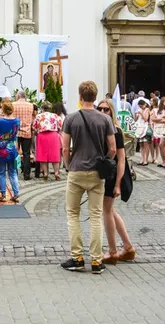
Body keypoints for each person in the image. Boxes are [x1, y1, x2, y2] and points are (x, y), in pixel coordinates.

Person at [61, 81, 116, 274]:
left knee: (73, 214)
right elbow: (112, 148)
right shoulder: (105, 119)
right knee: (96, 215)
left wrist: (68, 165)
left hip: (76, 171)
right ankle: (96, 261)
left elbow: (65, 147)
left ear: (80, 96)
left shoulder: (71, 118)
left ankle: (77, 258)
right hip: (96, 172)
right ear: (95, 96)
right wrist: (106, 162)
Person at [96, 99, 135, 264]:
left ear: (111, 111)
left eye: (107, 110)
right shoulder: (100, 128)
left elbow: (121, 159)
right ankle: (127, 247)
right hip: (106, 172)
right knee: (110, 210)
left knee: (107, 210)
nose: (103, 112)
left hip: (113, 174)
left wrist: (118, 183)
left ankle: (113, 252)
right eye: (101, 109)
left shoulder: (116, 130)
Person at [0, 101, 20, 202]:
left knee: (1, 172)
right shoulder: (17, 121)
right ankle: (16, 192)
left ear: (3, 110)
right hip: (12, 148)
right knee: (13, 172)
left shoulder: (0, 121)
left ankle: (3, 194)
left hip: (1, 148)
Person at [33, 101, 63, 180]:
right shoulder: (56, 116)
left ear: (42, 108)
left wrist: (36, 132)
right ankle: (56, 172)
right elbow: (61, 126)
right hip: (53, 135)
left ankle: (45, 173)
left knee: (43, 155)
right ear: (50, 108)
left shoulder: (38, 116)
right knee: (55, 154)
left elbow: (34, 127)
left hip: (42, 136)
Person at [13, 90, 34, 180]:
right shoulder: (31, 105)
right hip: (27, 132)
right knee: (26, 153)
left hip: (15, 132)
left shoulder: (13, 104)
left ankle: (15, 173)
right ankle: (27, 174)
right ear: (25, 97)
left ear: (18, 96)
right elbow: (32, 117)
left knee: (15, 152)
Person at [134, 100, 151, 166]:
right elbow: (135, 119)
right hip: (139, 127)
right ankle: (142, 159)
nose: (141, 107)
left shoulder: (147, 110)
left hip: (145, 127)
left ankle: (146, 160)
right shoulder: (139, 110)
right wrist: (136, 115)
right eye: (139, 106)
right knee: (141, 144)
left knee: (145, 144)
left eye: (141, 105)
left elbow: (146, 119)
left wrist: (141, 113)